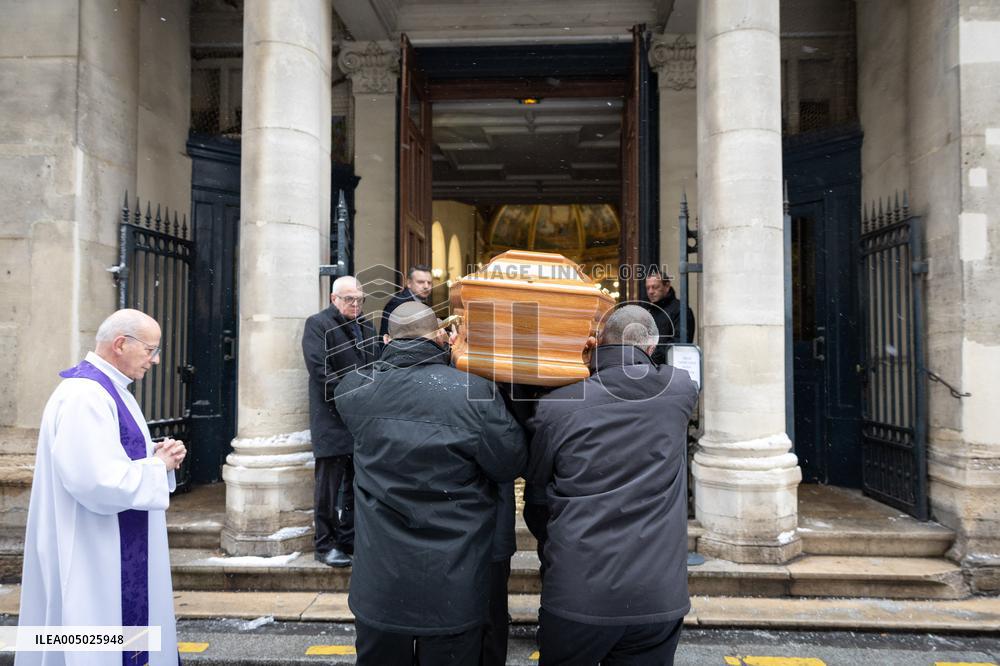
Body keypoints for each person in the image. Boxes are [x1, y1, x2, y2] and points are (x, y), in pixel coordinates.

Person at [335, 302, 527, 666]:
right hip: (454, 578)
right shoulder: (475, 394)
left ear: (387, 339)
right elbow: (510, 463)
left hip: (382, 579)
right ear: (442, 336)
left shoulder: (353, 390)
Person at [528, 305, 699, 666]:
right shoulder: (679, 391)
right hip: (656, 595)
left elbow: (537, 497)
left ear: (595, 343)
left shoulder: (556, 407)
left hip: (578, 590)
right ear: (650, 347)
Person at [17, 309, 186, 666]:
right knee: (96, 638)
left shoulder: (110, 389)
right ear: (121, 344)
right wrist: (158, 467)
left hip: (111, 539)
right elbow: (93, 480)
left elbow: (111, 457)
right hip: (95, 547)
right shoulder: (84, 395)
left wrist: (153, 454)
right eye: (150, 351)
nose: (155, 361)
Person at [302, 276, 379, 567]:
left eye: (360, 299)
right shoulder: (318, 324)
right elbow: (321, 373)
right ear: (334, 298)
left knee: (355, 484)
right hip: (331, 419)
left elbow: (375, 367)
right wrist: (354, 400)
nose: (356, 304)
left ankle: (349, 538)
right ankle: (325, 544)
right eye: (349, 299)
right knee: (328, 487)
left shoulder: (367, 326)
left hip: (360, 422)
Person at [644, 268, 695, 364]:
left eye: (655, 287)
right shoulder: (648, 310)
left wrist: (650, 356)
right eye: (648, 288)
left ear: (667, 286)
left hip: (669, 369)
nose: (650, 291)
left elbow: (679, 343)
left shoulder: (681, 310)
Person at [378, 264, 434, 339]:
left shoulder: (424, 304)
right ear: (409, 283)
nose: (426, 286)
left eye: (429, 283)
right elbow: (385, 337)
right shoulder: (397, 303)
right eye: (420, 282)